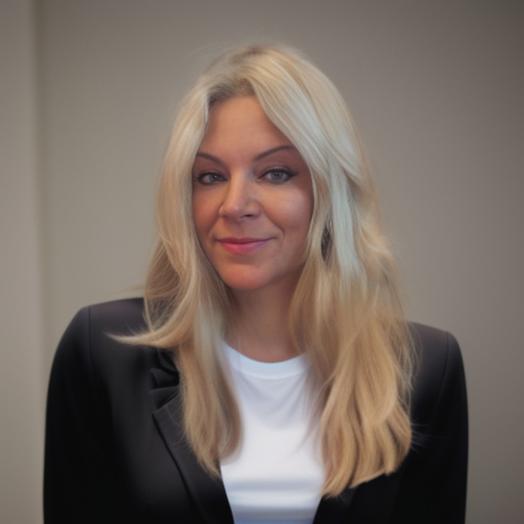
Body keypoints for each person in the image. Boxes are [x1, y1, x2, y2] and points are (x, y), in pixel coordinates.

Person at [44, 44, 468, 524]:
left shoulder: (426, 369)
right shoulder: (102, 351)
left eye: (275, 173)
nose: (235, 205)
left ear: (329, 191)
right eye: (210, 176)